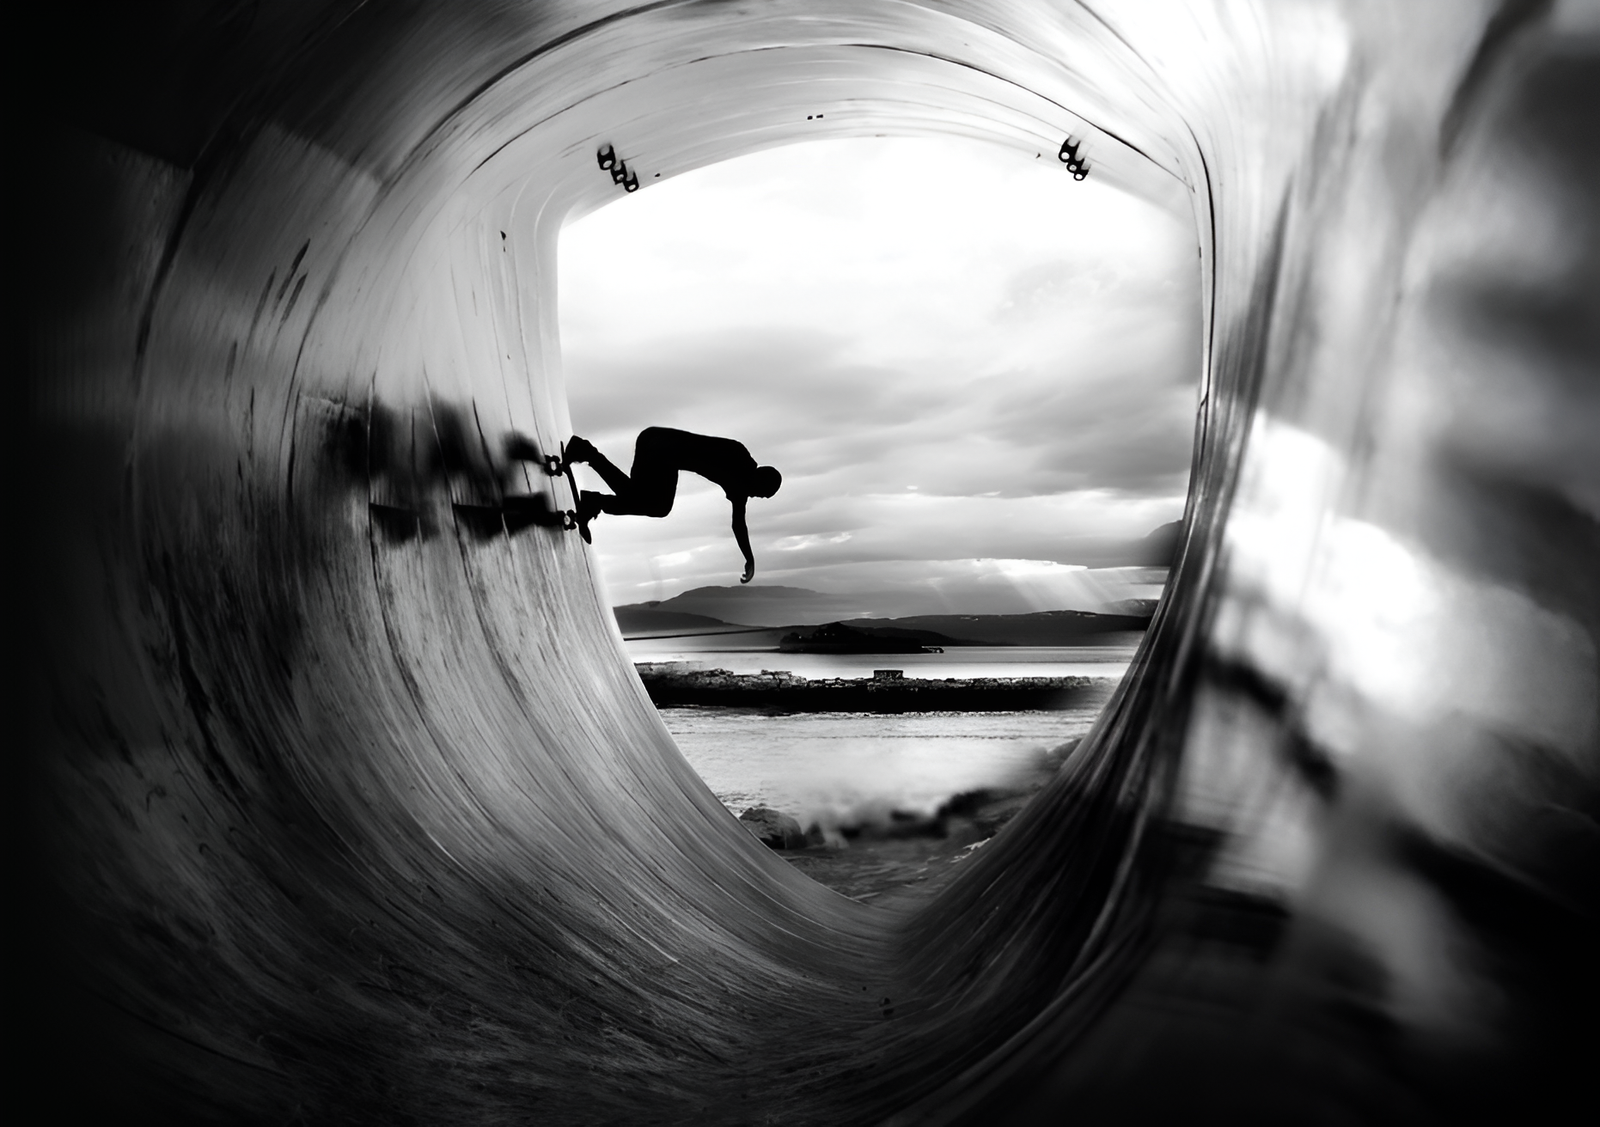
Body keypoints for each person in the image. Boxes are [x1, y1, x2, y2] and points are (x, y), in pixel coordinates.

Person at [564, 428, 782, 583]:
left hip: (662, 450)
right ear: (759, 477)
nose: (754, 497)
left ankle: (593, 490)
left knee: (648, 502)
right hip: (662, 447)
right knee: (649, 502)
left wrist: (749, 557)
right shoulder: (738, 457)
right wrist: (750, 558)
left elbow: (738, 524)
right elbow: (739, 521)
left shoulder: (741, 484)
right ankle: (589, 465)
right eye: (760, 493)